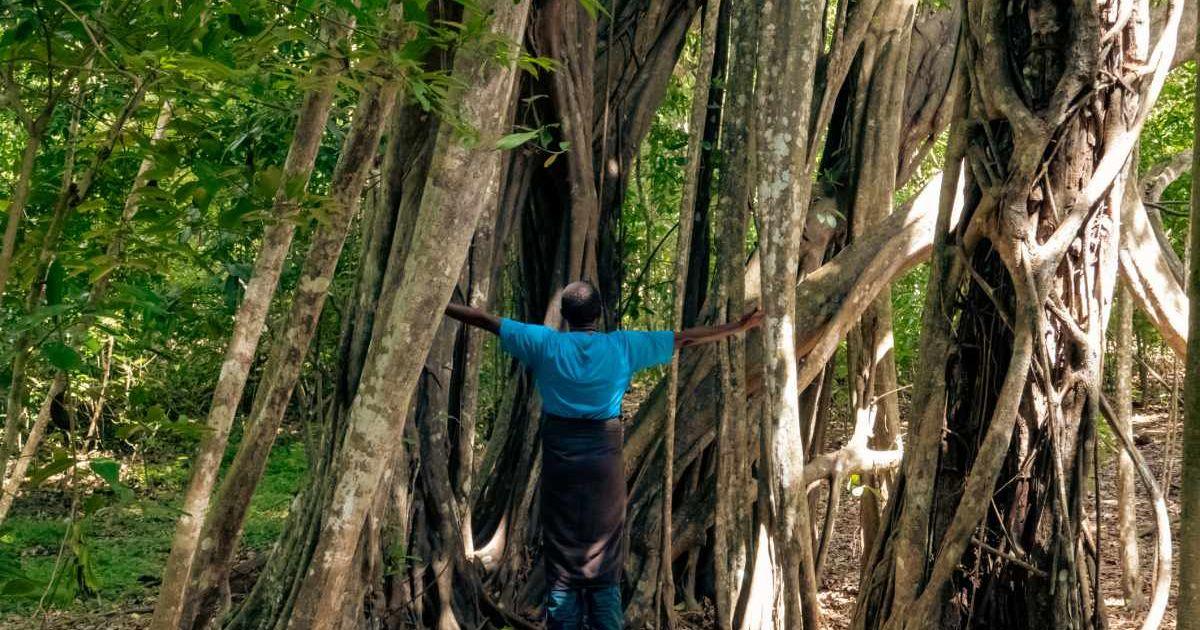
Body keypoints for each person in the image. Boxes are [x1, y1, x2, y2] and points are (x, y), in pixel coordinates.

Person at [443, 281, 763, 630]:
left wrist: (438, 303)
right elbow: (683, 337)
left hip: (559, 459)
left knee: (562, 546)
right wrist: (737, 326)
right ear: (600, 313)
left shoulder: (544, 343)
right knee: (605, 549)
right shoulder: (622, 346)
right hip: (603, 460)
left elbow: (485, 320)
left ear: (563, 316)